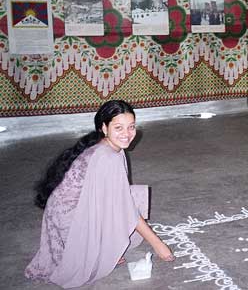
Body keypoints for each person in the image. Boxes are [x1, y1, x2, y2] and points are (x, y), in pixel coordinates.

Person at [25, 100, 175, 288]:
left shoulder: (111, 146)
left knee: (132, 195)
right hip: (69, 219)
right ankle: (98, 249)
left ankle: (103, 246)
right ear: (104, 128)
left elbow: (116, 196)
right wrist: (157, 244)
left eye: (131, 127)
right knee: (128, 204)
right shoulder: (105, 156)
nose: (127, 134)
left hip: (77, 206)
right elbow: (125, 208)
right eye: (118, 127)